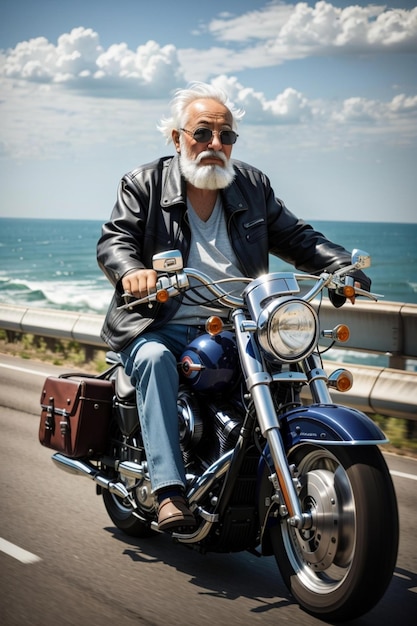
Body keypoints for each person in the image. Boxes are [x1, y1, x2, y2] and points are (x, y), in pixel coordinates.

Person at [97, 81, 370, 532]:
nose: (214, 145)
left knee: (290, 361)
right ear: (177, 138)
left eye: (226, 136)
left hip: (236, 324)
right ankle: (169, 490)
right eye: (202, 134)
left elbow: (296, 237)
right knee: (153, 359)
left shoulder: (251, 185)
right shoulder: (144, 184)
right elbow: (115, 241)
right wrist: (131, 272)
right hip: (158, 321)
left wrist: (340, 266)